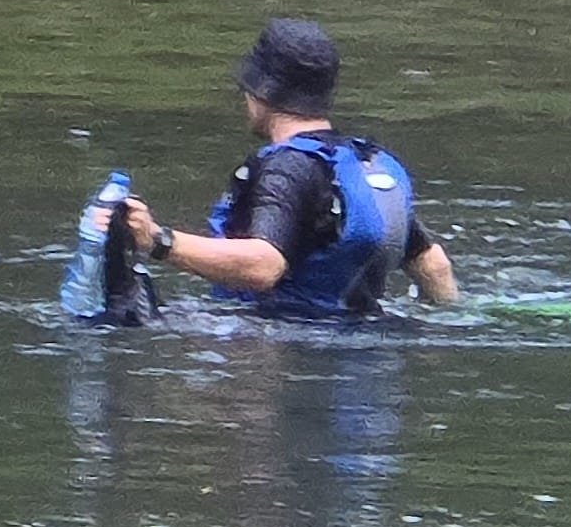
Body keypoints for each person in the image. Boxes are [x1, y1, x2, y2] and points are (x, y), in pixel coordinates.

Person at [102, 18, 458, 316]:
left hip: (282, 353)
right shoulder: (369, 163)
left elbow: (263, 266)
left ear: (261, 91)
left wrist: (158, 240)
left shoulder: (285, 169)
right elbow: (434, 266)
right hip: (363, 355)